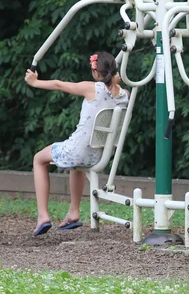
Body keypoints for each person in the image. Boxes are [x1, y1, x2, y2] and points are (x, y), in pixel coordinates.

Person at [24, 52, 129, 237]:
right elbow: (114, 88)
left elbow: (59, 84)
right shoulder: (125, 95)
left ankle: (43, 216)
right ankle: (73, 212)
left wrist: (35, 82)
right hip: (99, 154)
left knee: (39, 159)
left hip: (77, 150)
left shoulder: (92, 88)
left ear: (96, 72)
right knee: (76, 167)